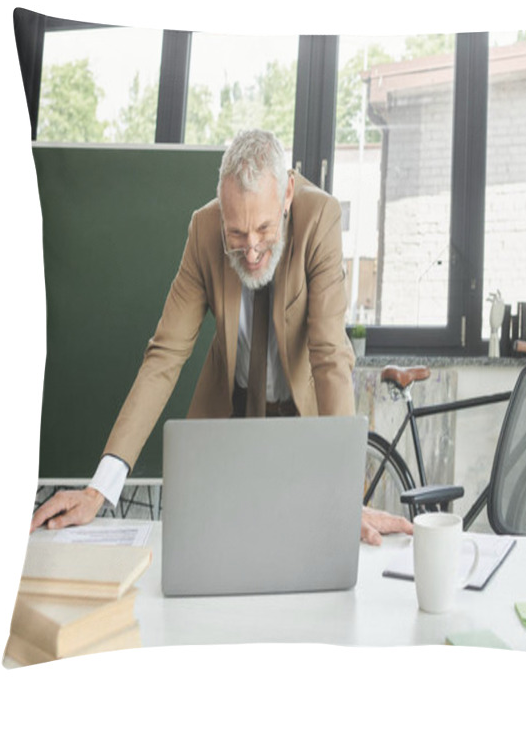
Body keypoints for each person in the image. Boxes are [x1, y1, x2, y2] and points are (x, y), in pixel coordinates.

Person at [30, 129, 412, 546]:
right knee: (213, 550)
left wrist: (343, 494)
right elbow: (164, 357)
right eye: (237, 234)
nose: (250, 251)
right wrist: (98, 489)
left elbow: (329, 356)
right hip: (231, 420)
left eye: (264, 229)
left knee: (301, 552)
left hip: (304, 421)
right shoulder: (204, 228)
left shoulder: (320, 217)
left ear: (286, 193)